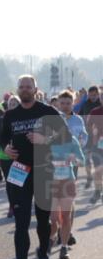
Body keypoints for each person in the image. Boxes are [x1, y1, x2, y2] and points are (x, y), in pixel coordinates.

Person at [0, 75, 67, 259]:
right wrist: (6, 148)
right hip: (19, 172)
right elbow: (0, 138)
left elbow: (65, 135)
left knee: (44, 221)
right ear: (17, 90)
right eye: (21, 87)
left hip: (43, 171)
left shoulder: (46, 111)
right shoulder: (10, 115)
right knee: (21, 223)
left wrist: (44, 139)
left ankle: (43, 253)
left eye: (29, 86)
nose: (25, 90)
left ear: (36, 89)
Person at [46, 107, 84, 259]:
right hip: (52, 182)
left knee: (66, 216)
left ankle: (63, 247)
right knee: (54, 218)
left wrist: (74, 159)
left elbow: (83, 160)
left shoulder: (72, 140)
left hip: (67, 181)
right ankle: (52, 238)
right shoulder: (48, 142)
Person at [55, 90, 87, 249]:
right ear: (58, 104)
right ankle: (60, 228)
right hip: (55, 164)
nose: (65, 106)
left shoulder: (78, 119)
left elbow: (83, 137)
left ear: (73, 103)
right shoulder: (55, 119)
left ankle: (67, 230)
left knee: (68, 200)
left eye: (68, 103)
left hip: (71, 164)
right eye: (62, 103)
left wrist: (77, 149)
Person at [87, 96, 103, 204]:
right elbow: (88, 126)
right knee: (98, 170)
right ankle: (97, 191)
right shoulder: (94, 111)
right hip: (97, 145)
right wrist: (93, 131)